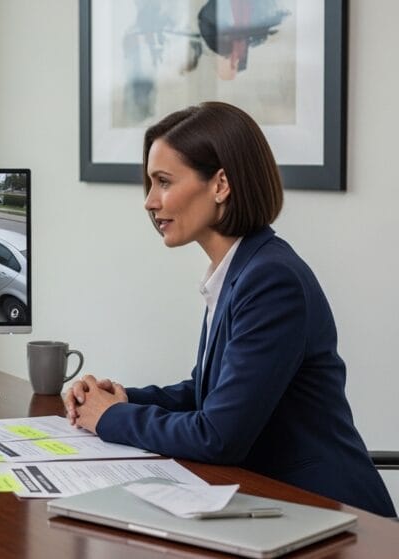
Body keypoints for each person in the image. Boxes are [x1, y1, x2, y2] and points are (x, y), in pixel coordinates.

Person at [62, 101, 396, 517]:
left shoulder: (271, 280)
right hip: (273, 504)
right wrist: (124, 397)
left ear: (220, 184)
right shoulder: (240, 268)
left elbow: (219, 435)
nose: (149, 202)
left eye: (163, 182)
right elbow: (212, 393)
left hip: (332, 514)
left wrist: (112, 417)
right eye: (149, 184)